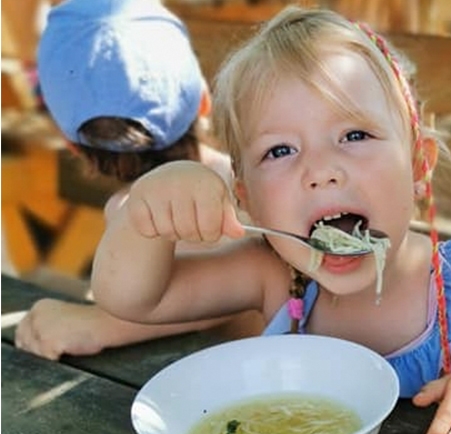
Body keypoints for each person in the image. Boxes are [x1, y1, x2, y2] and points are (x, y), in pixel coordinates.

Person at [90, 6, 451, 434]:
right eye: (280, 150)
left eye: (354, 135)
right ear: (246, 198)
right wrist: (143, 217)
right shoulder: (271, 274)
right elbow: (134, 300)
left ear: (419, 164)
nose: (320, 172)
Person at [14, 0, 264, 360]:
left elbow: (215, 299)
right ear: (204, 101)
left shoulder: (132, 211)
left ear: (70, 143)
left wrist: (98, 324)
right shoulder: (242, 179)